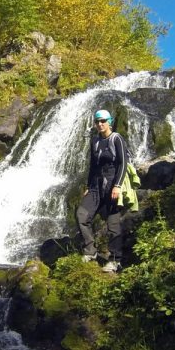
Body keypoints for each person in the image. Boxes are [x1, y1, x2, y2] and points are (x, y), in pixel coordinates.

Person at [77, 109, 128, 272]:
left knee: (113, 224)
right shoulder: (95, 141)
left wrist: (118, 185)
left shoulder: (117, 139)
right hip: (96, 185)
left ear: (109, 122)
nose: (100, 124)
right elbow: (93, 166)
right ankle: (90, 250)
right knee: (81, 214)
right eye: (97, 121)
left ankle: (115, 260)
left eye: (103, 121)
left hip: (112, 182)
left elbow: (123, 163)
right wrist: (88, 186)